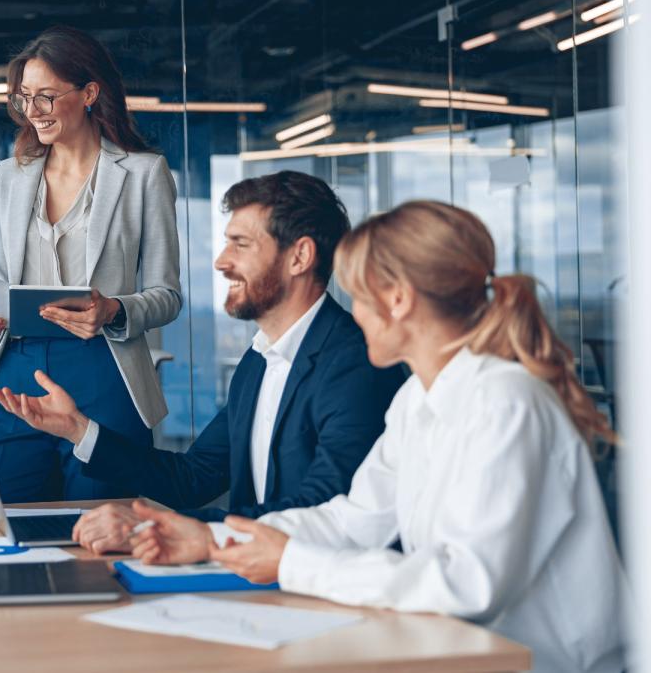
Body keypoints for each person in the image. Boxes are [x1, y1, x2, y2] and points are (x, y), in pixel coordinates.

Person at [130, 201, 626, 672]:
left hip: (538, 662)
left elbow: (467, 582)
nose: (354, 315)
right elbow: (353, 521)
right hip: (462, 650)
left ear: (398, 300)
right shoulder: (418, 399)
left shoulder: (506, 400)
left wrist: (290, 561)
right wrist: (214, 540)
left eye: (359, 297)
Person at [0, 171, 405, 553]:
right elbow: (193, 478)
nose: (221, 261)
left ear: (299, 257)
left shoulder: (357, 365)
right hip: (252, 575)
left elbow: (322, 508)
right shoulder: (259, 361)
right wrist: (77, 429)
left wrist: (153, 527)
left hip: (316, 589)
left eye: (240, 244)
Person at [0, 25, 182, 504]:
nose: (33, 112)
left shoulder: (144, 174)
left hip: (105, 366)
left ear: (89, 93)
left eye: (46, 97)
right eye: (23, 98)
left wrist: (114, 310)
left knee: (100, 525)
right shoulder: (9, 177)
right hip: (18, 368)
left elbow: (167, 296)